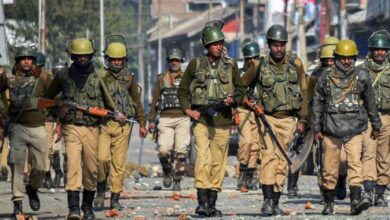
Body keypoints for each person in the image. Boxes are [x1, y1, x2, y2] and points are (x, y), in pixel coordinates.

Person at [45, 38, 121, 220]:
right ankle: (73, 209)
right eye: (78, 56)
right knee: (72, 165)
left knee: (91, 169)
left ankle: (87, 207)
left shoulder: (100, 75)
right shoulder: (63, 75)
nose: (82, 59)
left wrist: (114, 113)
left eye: (86, 56)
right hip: (71, 127)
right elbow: (47, 99)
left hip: (93, 128)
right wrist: (59, 110)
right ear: (72, 56)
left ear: (91, 55)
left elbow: (109, 101)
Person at [177, 21, 245, 217]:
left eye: (221, 43)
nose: (219, 47)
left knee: (218, 162)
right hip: (202, 120)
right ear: (207, 46)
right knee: (203, 159)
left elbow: (241, 90)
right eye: (215, 44)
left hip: (222, 121)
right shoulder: (194, 64)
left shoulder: (231, 65)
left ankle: (212, 204)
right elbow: (182, 91)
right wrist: (188, 111)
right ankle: (201, 201)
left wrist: (234, 100)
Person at [241, 24, 308, 216]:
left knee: (281, 161)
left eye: (282, 45)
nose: (279, 49)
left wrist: (303, 119)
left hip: (288, 120)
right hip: (266, 118)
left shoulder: (296, 64)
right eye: (275, 45)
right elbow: (240, 88)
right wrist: (249, 103)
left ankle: (275, 200)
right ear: (269, 45)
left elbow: (304, 91)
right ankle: (267, 201)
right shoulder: (258, 66)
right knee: (269, 157)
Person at [312, 39, 381, 215]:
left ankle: (355, 201)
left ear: (354, 58)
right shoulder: (324, 77)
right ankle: (328, 203)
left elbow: (370, 102)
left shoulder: (362, 76)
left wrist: (375, 124)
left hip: (355, 128)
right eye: (343, 58)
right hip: (330, 129)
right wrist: (316, 129)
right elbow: (317, 104)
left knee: (355, 165)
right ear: (336, 57)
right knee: (329, 167)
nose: (346, 61)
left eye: (350, 58)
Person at [94, 39, 147, 211]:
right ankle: (101, 190)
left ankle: (115, 198)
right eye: (113, 59)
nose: (116, 62)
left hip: (124, 126)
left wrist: (142, 123)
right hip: (104, 124)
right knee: (102, 159)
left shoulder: (129, 78)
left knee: (118, 164)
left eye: (119, 59)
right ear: (108, 60)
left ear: (124, 60)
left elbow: (137, 102)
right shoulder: (100, 76)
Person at [0, 46, 51, 218]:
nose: (27, 62)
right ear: (18, 61)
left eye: (30, 58)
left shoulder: (44, 77)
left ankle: (32, 188)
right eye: (23, 59)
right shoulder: (8, 78)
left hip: (38, 126)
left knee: (41, 166)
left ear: (34, 60)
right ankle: (18, 203)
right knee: (17, 166)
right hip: (17, 127)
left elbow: (56, 97)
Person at [148, 43, 190, 191]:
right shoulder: (162, 79)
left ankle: (177, 179)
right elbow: (155, 100)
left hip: (183, 118)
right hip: (165, 119)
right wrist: (151, 120)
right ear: (168, 61)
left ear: (181, 61)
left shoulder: (188, 78)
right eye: (172, 60)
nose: (174, 62)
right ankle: (167, 171)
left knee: (181, 151)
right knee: (163, 150)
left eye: (177, 60)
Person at [359, 30, 390, 207]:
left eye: (383, 49)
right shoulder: (361, 71)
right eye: (377, 49)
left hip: (386, 116)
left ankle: (380, 191)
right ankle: (368, 190)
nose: (380, 52)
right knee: (368, 152)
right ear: (371, 50)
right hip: (367, 117)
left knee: (384, 156)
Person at [236, 38, 261, 191]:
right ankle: (243, 173)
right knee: (246, 142)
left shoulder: (263, 72)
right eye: (249, 58)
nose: (252, 61)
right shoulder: (240, 73)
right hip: (244, 110)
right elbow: (236, 93)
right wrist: (246, 101)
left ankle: (251, 176)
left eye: (254, 58)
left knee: (256, 145)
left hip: (259, 113)